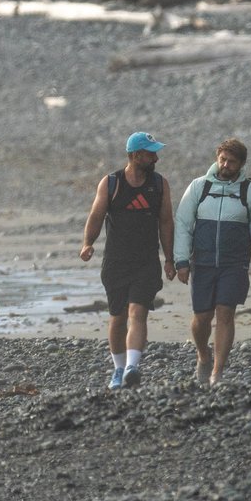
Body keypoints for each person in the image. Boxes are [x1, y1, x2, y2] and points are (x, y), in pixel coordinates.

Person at [78, 132, 175, 389]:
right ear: (135, 155)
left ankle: (133, 366)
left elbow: (166, 222)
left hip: (146, 261)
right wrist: (88, 243)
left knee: (138, 312)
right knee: (118, 317)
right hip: (116, 262)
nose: (156, 157)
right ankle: (118, 370)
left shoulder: (159, 184)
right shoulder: (111, 183)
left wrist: (170, 258)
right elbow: (96, 215)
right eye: (150, 153)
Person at [174, 138, 251, 386]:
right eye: (222, 159)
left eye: (231, 162)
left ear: (241, 164)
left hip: (234, 264)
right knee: (201, 317)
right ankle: (203, 355)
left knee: (226, 313)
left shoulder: (250, 191)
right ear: (217, 158)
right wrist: (181, 260)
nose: (225, 165)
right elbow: (183, 225)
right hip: (203, 263)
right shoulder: (199, 187)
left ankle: (217, 372)